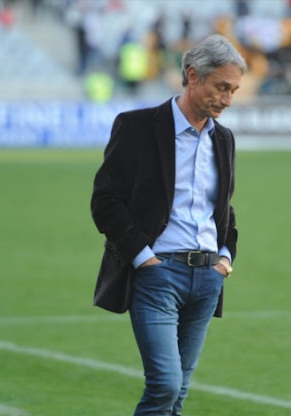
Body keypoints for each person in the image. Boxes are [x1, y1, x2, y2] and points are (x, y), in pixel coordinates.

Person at [90, 34, 245, 416]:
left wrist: (225, 257)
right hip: (158, 275)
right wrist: (143, 257)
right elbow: (105, 202)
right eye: (221, 87)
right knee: (165, 384)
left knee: (178, 393)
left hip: (208, 278)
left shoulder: (223, 139)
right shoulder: (137, 127)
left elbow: (223, 208)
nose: (227, 99)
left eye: (233, 90)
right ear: (193, 76)